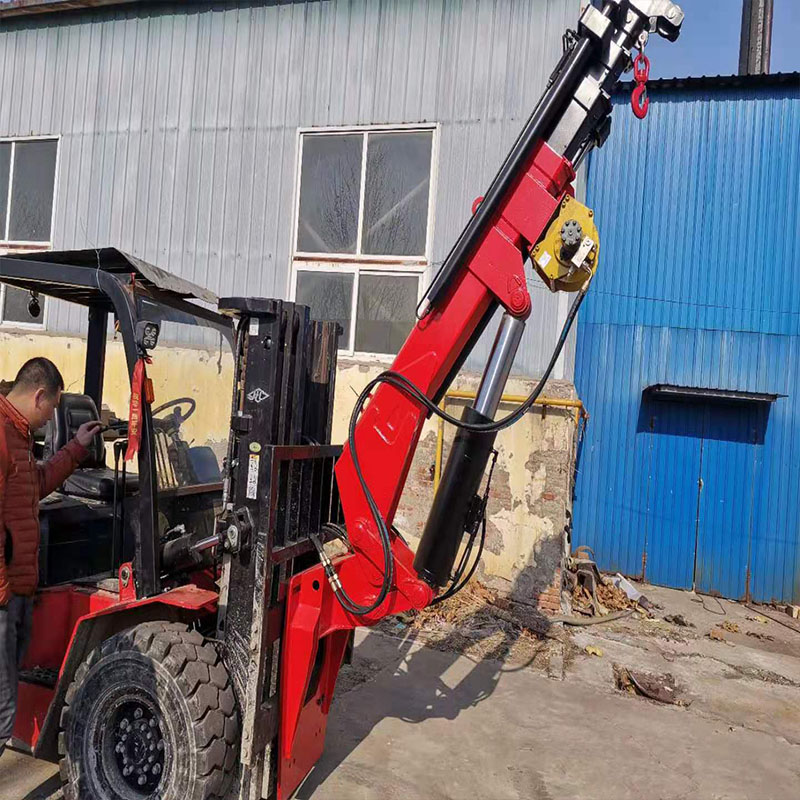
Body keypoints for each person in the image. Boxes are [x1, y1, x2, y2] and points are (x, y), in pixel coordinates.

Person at [0, 357, 102, 757]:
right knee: (3, 708)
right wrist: (4, 593)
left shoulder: (20, 436)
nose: (49, 420)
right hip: (4, 595)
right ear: (39, 395)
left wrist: (76, 447)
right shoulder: (3, 436)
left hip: (18, 591)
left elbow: (36, 484)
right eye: (51, 410)